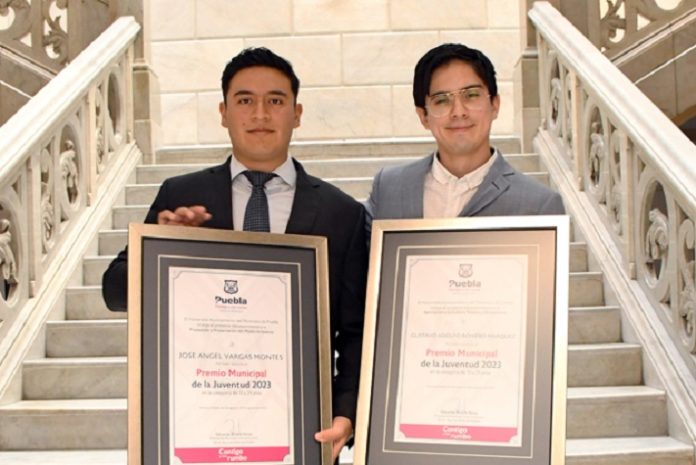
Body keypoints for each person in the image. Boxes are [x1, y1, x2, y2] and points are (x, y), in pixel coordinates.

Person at [101, 47, 367, 461]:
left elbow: (355, 331)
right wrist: (160, 248)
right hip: (196, 423)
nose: (260, 114)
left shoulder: (342, 213)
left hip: (297, 426)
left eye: (275, 100)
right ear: (223, 113)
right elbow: (115, 293)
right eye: (245, 100)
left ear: (296, 113)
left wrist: (346, 415)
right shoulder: (181, 195)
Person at [366, 43, 564, 226]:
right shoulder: (388, 189)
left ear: (495, 105)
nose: (458, 112)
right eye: (442, 100)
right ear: (423, 116)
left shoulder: (539, 205)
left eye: (471, 95)